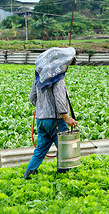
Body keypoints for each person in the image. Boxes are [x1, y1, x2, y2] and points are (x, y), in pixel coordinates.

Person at [23, 47, 78, 179]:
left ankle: (29, 172)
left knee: (41, 148)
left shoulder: (39, 77)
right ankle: (62, 174)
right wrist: (66, 117)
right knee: (63, 147)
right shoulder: (57, 79)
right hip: (55, 120)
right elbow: (59, 99)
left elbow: (32, 97)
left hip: (41, 120)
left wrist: (42, 108)